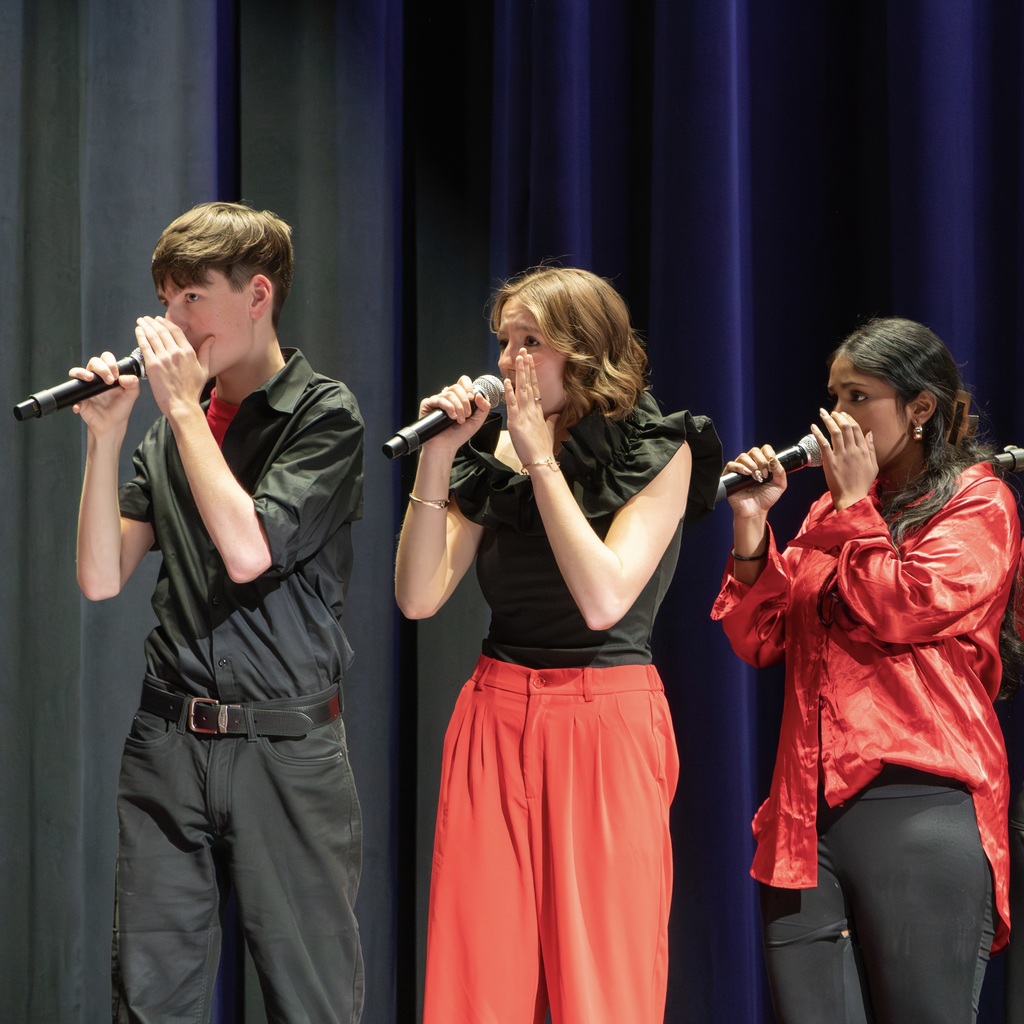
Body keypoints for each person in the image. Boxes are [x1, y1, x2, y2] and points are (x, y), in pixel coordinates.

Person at [394, 265, 722, 1024]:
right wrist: (438, 458)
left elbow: (605, 598)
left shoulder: (659, 448)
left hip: (604, 723)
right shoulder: (497, 457)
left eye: (530, 341)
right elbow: (417, 597)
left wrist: (540, 459)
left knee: (602, 984)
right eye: (504, 340)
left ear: (585, 352)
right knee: (479, 981)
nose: (509, 360)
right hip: (495, 718)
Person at [73, 202, 365, 1024]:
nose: (171, 322)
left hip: (286, 747)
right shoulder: (172, 430)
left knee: (309, 1001)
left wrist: (177, 412)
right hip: (169, 743)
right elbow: (99, 576)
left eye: (191, 299)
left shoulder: (323, 415)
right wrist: (106, 435)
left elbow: (250, 549)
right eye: (165, 300)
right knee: (149, 997)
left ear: (257, 295)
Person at [711, 317, 1023, 1024]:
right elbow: (760, 638)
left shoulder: (978, 503)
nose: (837, 418)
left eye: (858, 397)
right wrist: (753, 528)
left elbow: (905, 608)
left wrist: (854, 506)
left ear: (920, 409)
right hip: (804, 819)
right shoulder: (830, 507)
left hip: (919, 801)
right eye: (833, 396)